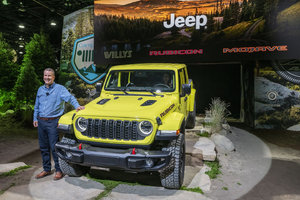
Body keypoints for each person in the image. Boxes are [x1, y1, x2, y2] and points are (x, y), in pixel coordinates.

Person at [33, 68, 85, 180]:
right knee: (43, 147)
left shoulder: (60, 89)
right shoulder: (40, 89)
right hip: (41, 121)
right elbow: (37, 105)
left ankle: (58, 170)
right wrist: (35, 118)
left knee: (54, 147)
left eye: (49, 76)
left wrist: (77, 107)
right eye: (45, 75)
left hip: (53, 122)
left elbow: (70, 98)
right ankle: (46, 169)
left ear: (53, 77)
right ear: (43, 76)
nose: (47, 77)